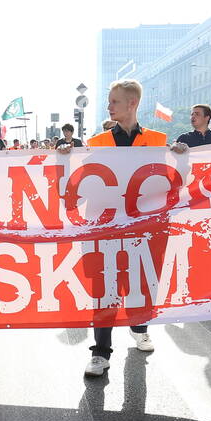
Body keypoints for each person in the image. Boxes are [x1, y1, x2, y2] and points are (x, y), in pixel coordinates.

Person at [57, 80, 160, 375]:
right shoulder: (99, 143)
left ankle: (139, 327)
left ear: (132, 104)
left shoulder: (156, 140)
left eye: (114, 101)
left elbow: (172, 183)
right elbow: (79, 184)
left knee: (139, 284)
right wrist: (67, 162)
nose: (108, 106)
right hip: (104, 228)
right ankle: (101, 353)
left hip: (141, 229)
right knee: (104, 290)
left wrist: (182, 158)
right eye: (108, 101)